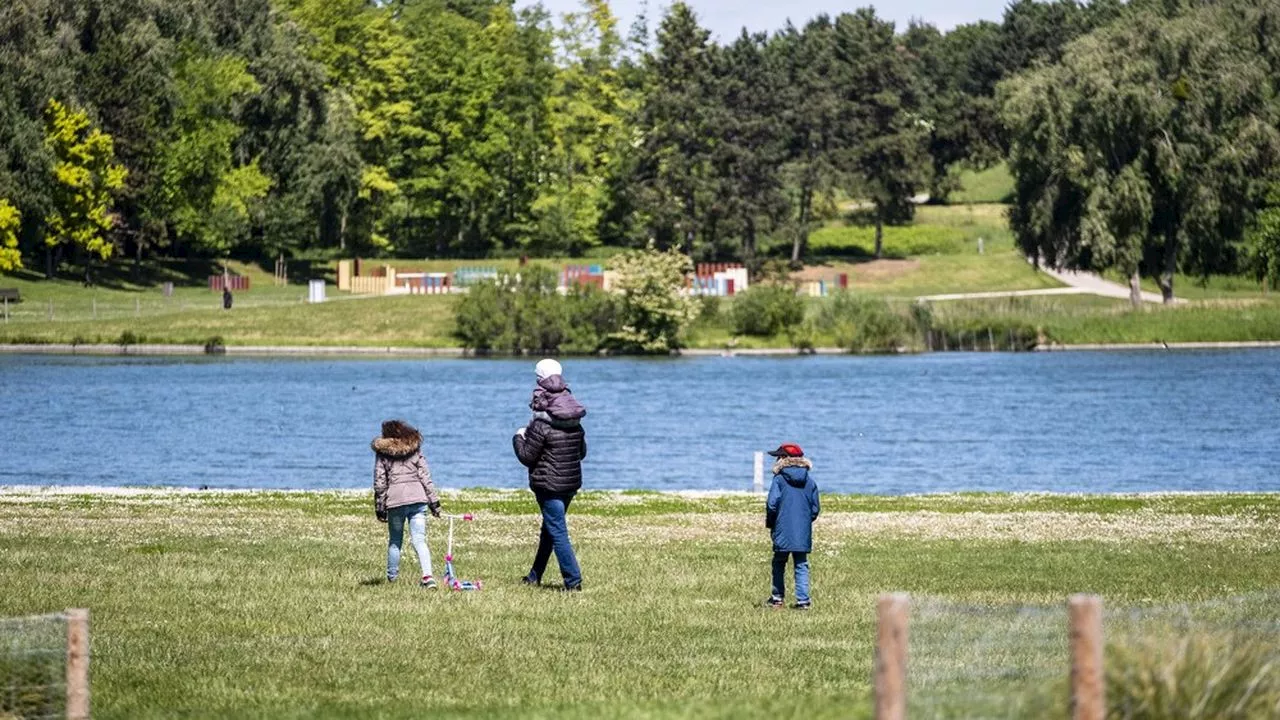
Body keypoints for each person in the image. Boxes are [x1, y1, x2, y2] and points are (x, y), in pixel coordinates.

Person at [514, 359, 587, 591]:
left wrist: (517, 437)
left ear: (539, 383)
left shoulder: (540, 423)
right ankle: (535, 576)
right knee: (550, 529)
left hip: (548, 485)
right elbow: (582, 453)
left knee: (557, 531)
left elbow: (526, 456)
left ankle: (573, 581)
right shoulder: (574, 418)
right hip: (570, 484)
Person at [372, 419, 442, 588]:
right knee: (419, 540)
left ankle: (392, 577)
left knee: (395, 541)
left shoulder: (383, 453)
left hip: (395, 501)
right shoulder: (415, 449)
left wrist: (380, 506)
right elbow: (425, 477)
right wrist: (434, 502)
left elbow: (380, 481)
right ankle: (428, 576)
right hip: (418, 499)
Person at [765, 443, 820, 610]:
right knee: (801, 564)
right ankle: (803, 602)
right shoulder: (809, 482)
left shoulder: (779, 479)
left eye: (778, 456)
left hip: (782, 528)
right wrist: (804, 522)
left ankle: (777, 598)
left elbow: (772, 504)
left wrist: (774, 522)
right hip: (802, 531)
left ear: (783, 459)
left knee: (779, 563)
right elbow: (815, 508)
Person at [528, 358, 586, 425]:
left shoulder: (542, 390)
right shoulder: (565, 389)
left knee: (535, 416)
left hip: (560, 419)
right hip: (576, 420)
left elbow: (541, 406)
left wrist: (533, 405)